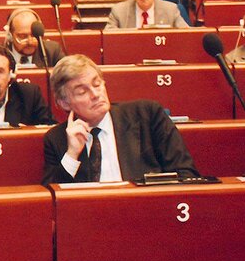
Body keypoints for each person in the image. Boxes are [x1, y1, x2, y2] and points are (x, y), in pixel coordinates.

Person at [42, 54, 198, 184]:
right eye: (82, 92)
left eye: (97, 84)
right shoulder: (56, 139)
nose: (96, 94)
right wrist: (72, 154)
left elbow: (185, 173)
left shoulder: (147, 116)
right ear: (64, 103)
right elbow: (53, 201)